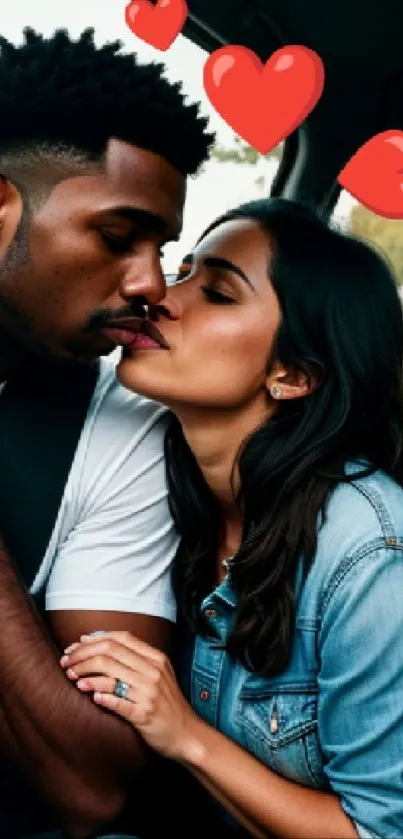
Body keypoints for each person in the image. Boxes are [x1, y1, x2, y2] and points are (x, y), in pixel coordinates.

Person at [63, 198, 403, 839]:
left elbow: (378, 832)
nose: (162, 295)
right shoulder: (165, 485)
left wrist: (185, 735)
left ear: (293, 374)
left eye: (216, 292)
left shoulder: (371, 554)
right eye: (183, 270)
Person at [0, 26, 213, 839]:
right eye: (119, 238)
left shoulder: (118, 416)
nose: (150, 284)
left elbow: (91, 785)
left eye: (164, 249)